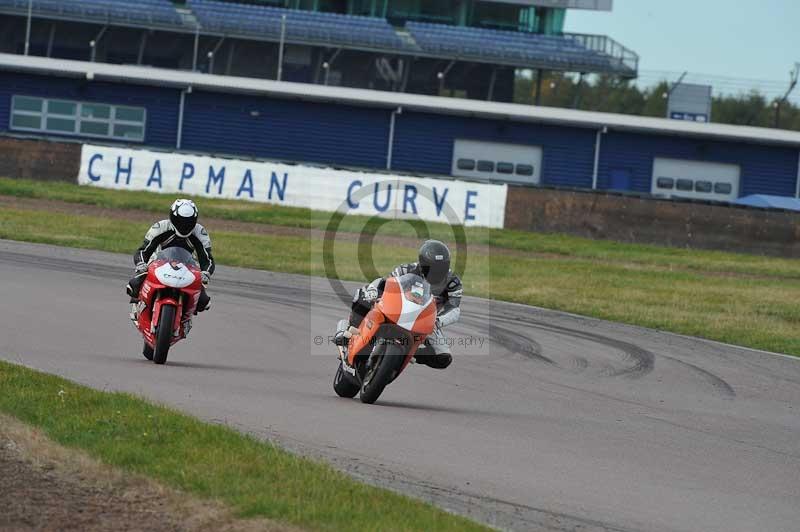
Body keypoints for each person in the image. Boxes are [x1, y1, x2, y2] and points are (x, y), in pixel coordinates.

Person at [335, 239, 462, 369]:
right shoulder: (406, 270)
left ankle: (405, 355)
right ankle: (347, 331)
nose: (437, 272)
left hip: (427, 319)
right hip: (397, 308)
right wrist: (375, 294)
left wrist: (438, 321)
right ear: (423, 263)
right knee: (366, 292)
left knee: (443, 357)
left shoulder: (453, 283)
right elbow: (386, 284)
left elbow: (454, 309)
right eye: (433, 267)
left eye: (441, 268)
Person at [126, 199, 214, 319]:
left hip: (187, 265)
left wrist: (206, 273)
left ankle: (185, 317)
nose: (184, 226)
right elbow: (144, 250)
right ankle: (138, 303)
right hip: (158, 261)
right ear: (172, 217)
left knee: (204, 302)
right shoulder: (161, 227)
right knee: (134, 284)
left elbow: (207, 258)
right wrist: (141, 263)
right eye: (180, 221)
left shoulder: (199, 232)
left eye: (188, 222)